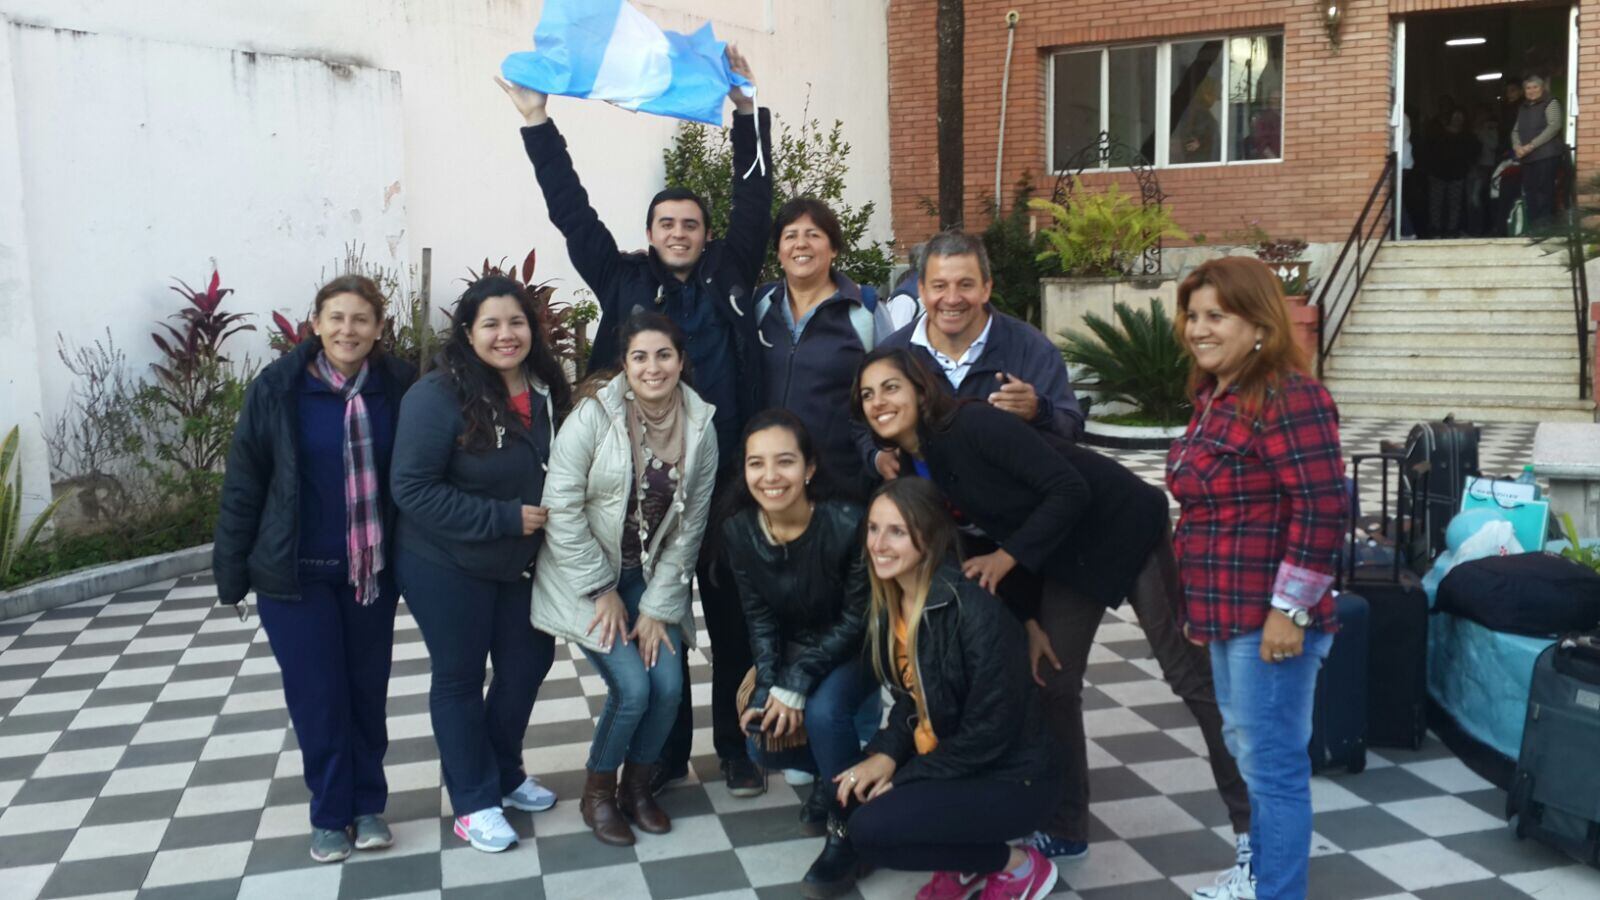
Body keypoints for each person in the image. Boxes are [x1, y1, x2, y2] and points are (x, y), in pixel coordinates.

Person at [853, 348, 1251, 876]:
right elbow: (982, 538)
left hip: (1121, 525)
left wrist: (1009, 557)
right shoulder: (910, 466)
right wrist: (1030, 619)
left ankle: (1255, 831)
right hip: (1061, 555)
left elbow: (1068, 488)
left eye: (891, 387)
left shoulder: (970, 424)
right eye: (867, 394)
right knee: (1054, 683)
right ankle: (1067, 828)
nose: (879, 401)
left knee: (1188, 676)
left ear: (921, 389)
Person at [500, 49, 772, 795]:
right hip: (646, 495)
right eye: (665, 223)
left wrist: (746, 112)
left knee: (735, 620)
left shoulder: (730, 272)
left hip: (729, 479)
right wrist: (536, 121)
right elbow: (570, 208)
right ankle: (664, 758)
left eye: (690, 223)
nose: (678, 232)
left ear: (705, 233)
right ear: (650, 233)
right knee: (665, 627)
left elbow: (757, 202)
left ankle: (741, 749)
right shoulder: (620, 276)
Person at [214, 275, 416, 863]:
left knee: (365, 692)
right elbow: (244, 482)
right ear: (316, 324)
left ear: (379, 328)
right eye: (336, 318)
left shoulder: (400, 386)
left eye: (360, 319)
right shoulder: (278, 388)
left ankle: (367, 806)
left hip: (370, 572)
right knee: (318, 696)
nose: (347, 330)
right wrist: (230, 573)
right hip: (295, 575)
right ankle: (330, 815)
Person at [1166, 256, 1345, 900]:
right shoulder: (1216, 395)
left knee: (1271, 771)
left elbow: (1324, 507)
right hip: (1224, 613)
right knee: (1251, 756)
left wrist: (1288, 612)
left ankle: (1277, 891)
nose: (1199, 328)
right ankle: (1264, 877)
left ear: (1260, 324)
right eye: (1193, 315)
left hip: (1268, 620)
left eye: (1217, 315)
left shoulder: (1290, 396)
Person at [390, 275, 572, 853]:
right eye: (490, 324)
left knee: (528, 659)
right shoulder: (436, 396)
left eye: (516, 322)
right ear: (468, 333)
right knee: (461, 676)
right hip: (445, 562)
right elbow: (412, 489)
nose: (505, 334)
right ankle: (473, 801)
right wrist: (502, 518)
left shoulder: (546, 388)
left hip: (520, 561)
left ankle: (505, 772)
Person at [530, 312, 719, 847]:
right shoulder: (594, 415)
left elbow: (691, 526)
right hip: (586, 575)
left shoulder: (701, 425)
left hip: (651, 578)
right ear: (625, 364)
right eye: (640, 357)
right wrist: (602, 589)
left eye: (664, 355)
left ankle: (637, 788)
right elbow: (560, 507)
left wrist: (658, 606)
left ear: (681, 360)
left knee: (667, 687)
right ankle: (597, 794)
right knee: (633, 688)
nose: (652, 367)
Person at [837, 478, 1061, 900]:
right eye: (873, 528)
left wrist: (905, 779)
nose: (879, 544)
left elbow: (990, 733)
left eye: (897, 531)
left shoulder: (971, 611)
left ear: (931, 538)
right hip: (958, 763)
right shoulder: (893, 600)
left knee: (873, 827)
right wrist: (885, 754)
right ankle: (965, 866)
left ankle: (1016, 866)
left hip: (1015, 779)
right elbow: (914, 696)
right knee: (851, 802)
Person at [718, 409, 876, 893]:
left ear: (809, 468)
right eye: (756, 464)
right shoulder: (739, 531)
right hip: (793, 650)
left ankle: (848, 836)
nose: (769, 476)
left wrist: (797, 682)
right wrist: (769, 686)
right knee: (760, 739)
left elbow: (857, 619)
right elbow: (759, 619)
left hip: (859, 646)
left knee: (827, 715)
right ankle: (837, 784)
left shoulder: (847, 523)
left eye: (784, 462)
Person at [865, 231, 1083, 484]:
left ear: (986, 288)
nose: (952, 298)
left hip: (1011, 512)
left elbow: (1072, 428)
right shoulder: (894, 353)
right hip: (924, 511)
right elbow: (860, 419)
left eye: (965, 284)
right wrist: (876, 456)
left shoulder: (1030, 349)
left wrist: (1038, 409)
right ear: (922, 291)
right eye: (939, 286)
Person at [756, 198, 882, 498]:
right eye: (790, 236)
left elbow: (892, 387)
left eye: (813, 234)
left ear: (833, 248)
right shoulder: (760, 306)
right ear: (779, 252)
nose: (801, 244)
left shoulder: (864, 309)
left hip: (842, 481)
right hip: (771, 482)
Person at [1515, 74, 1565, 229]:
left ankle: (1545, 228)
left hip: (1546, 155)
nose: (1531, 91)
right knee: (1530, 192)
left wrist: (1531, 146)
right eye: (1528, 88)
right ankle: (1535, 227)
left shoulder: (1551, 102)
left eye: (1535, 87)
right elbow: (1515, 130)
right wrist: (1517, 147)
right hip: (1528, 157)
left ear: (1542, 88)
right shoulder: (1523, 107)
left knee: (1544, 191)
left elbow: (1554, 126)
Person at [1427, 108, 1478, 238]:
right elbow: (1429, 151)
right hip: (1438, 174)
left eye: (1461, 116)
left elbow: (1475, 152)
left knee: (1455, 204)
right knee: (1436, 203)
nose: (1458, 118)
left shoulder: (1468, 136)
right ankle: (1436, 230)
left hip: (1458, 174)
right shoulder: (1438, 134)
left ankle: (1452, 230)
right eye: (1455, 115)